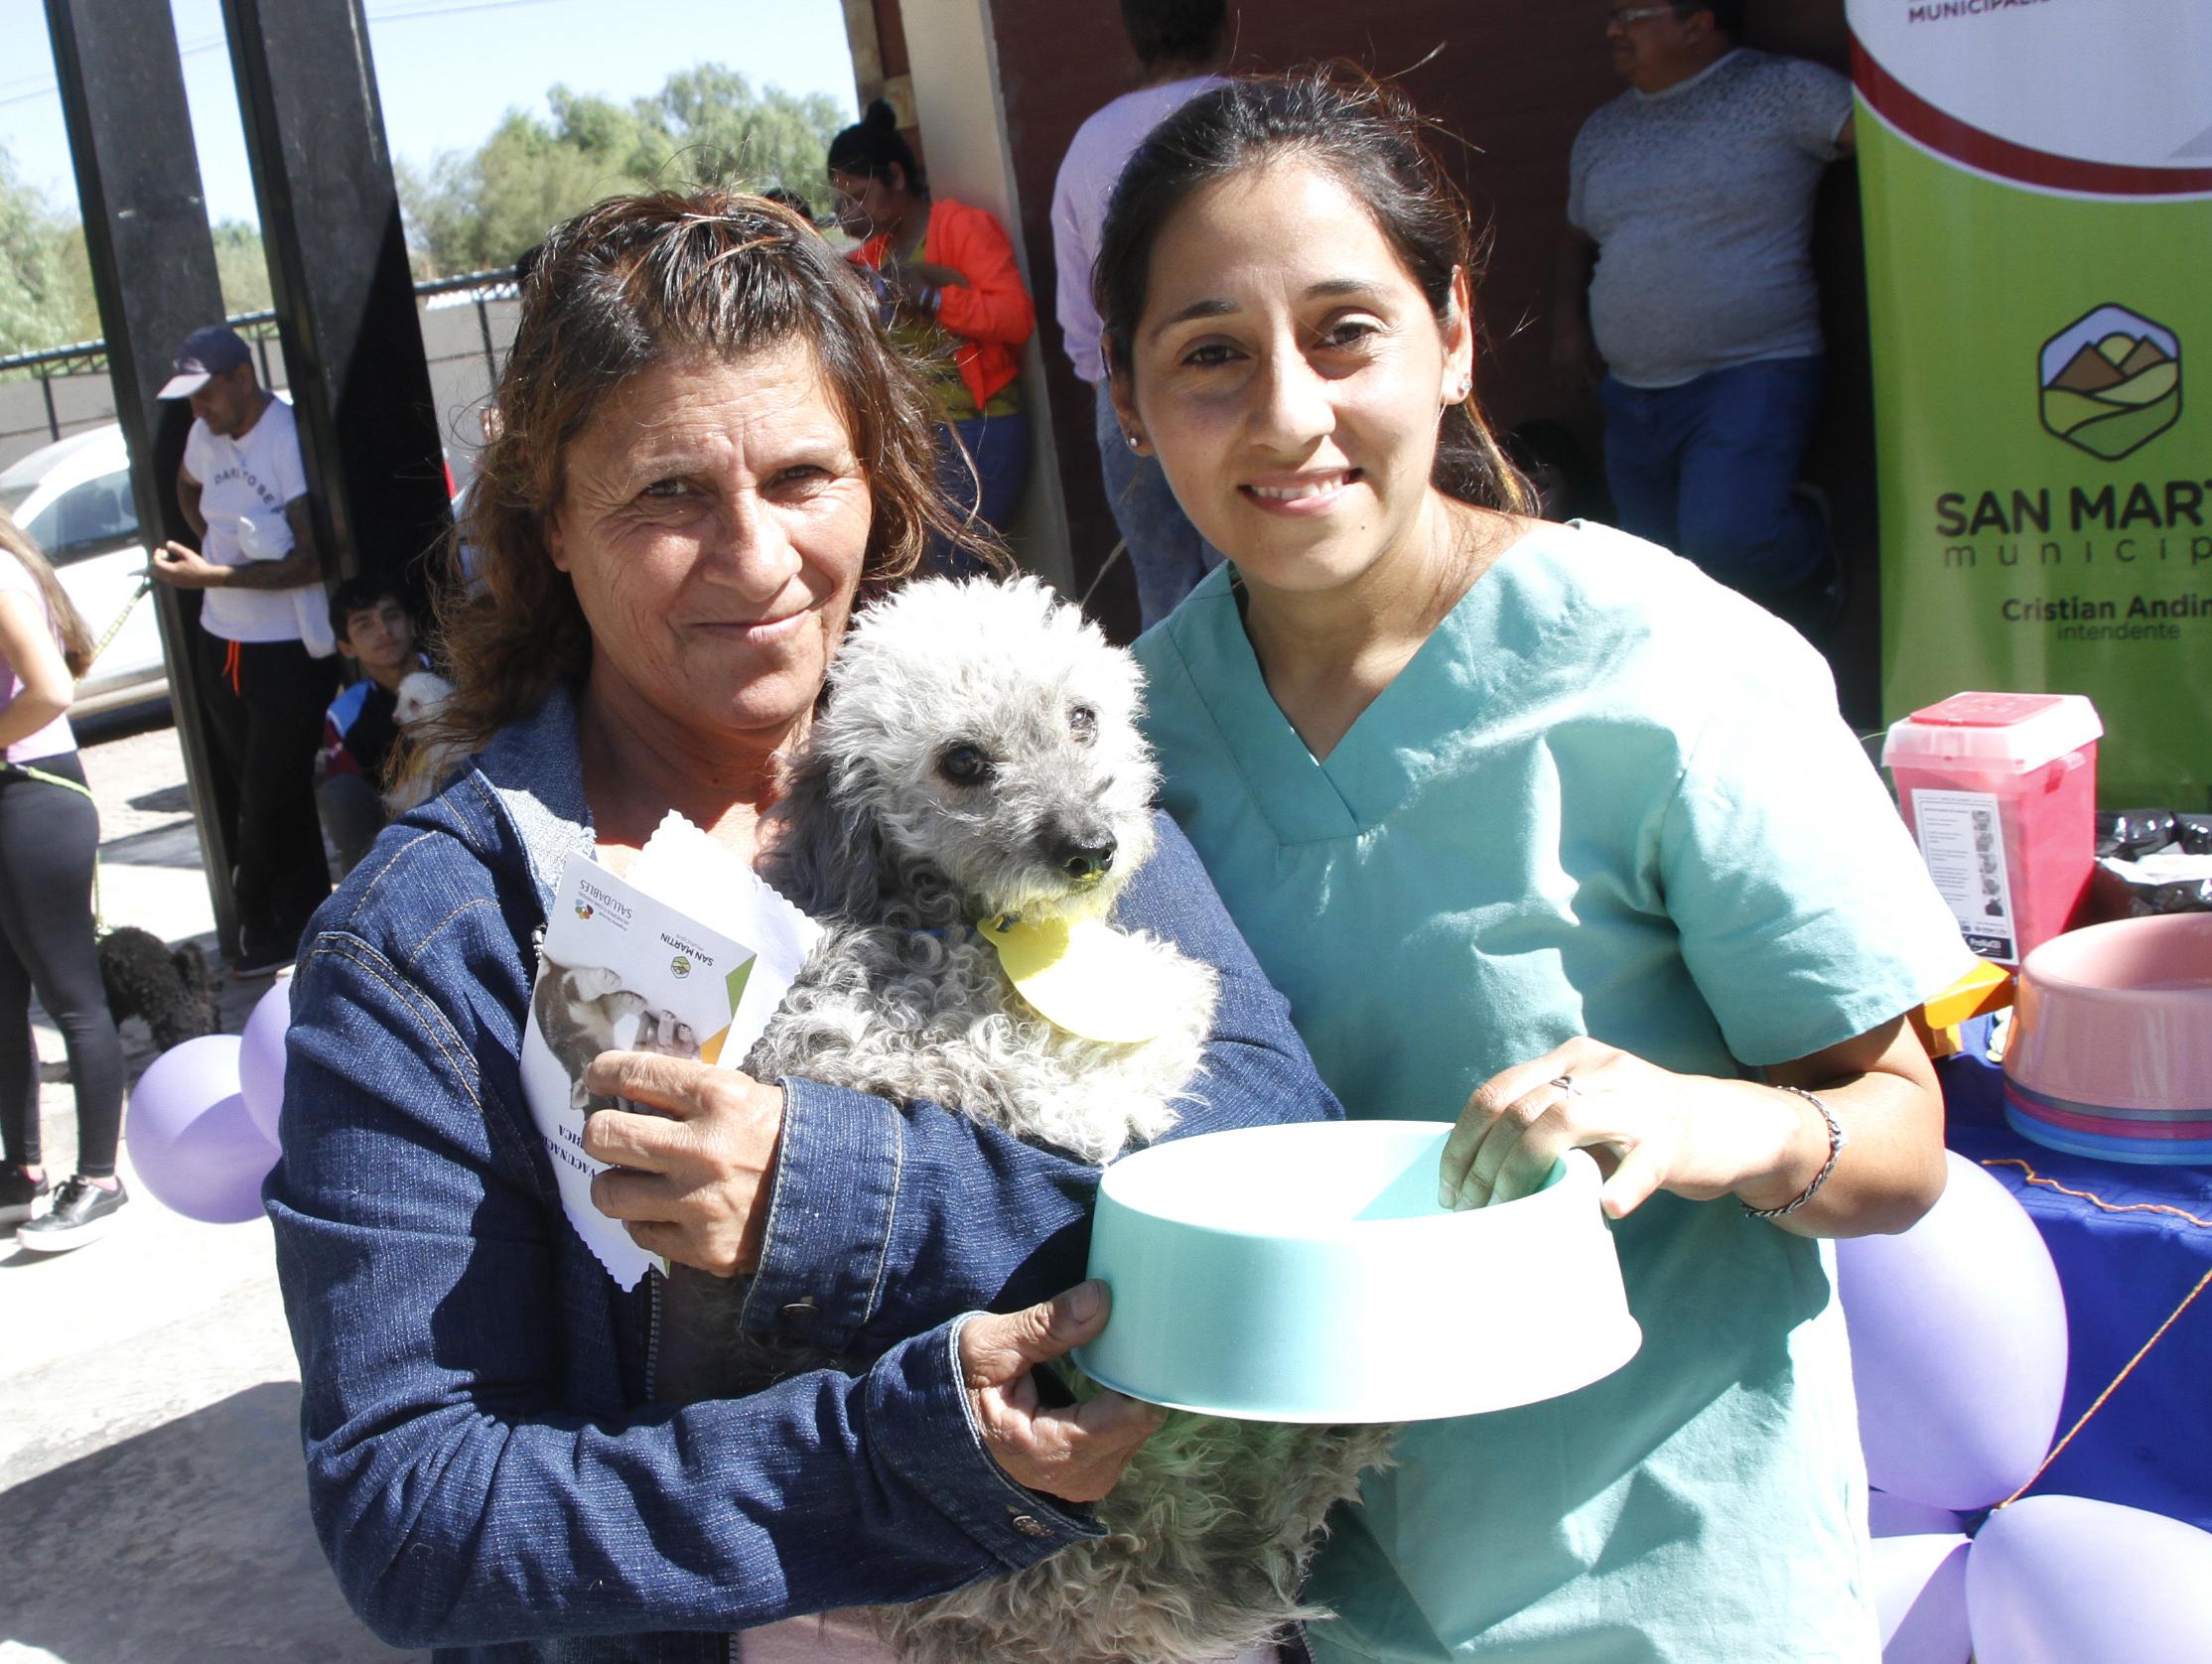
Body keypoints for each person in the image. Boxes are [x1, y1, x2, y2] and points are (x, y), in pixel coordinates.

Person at [264, 189, 1341, 1662]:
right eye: (667, 493)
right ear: (549, 524)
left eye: (801, 476)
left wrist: (828, 1197)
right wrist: (890, 1462)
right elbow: (415, 1513)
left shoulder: (1004, 752)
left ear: (878, 486)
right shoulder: (433, 945)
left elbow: (1280, 1144)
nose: (757, 556)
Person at [1102, 72, 1971, 1661]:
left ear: (1452, 336)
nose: (1287, 414)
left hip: (1671, 1594)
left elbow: (1900, 1143)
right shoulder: (1110, 748)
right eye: (1210, 354)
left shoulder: (1672, 668)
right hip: (1305, 1605)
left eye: (1346, 332)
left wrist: (1703, 1121)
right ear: (1127, 395)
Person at [1552, 1, 1855, 632]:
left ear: (1698, 21)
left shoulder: (1783, 89)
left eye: (1632, 14)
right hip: (1630, 391)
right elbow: (1578, 238)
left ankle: (1810, 545)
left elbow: (1904, 148)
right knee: (1657, 569)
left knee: (1729, 541)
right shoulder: (1603, 128)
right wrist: (1568, 324)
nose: (1613, 30)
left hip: (1753, 370)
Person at [152, 325, 337, 976]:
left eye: (207, 393)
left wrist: (215, 573)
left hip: (285, 646)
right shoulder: (203, 435)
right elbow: (184, 484)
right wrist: (213, 543)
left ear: (242, 377)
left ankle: (253, 916)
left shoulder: (283, 436)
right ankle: (299, 922)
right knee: (258, 790)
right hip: (222, 638)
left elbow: (311, 561)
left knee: (270, 791)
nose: (198, 409)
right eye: (190, 397)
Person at [1049, 0, 1229, 629]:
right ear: (1223, 20)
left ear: (1133, 35)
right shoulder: (1256, 113)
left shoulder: (1090, 141)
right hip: (1240, 373)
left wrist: (1115, 394)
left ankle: (1179, 698)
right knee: (1257, 585)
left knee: (1165, 596)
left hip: (1128, 387)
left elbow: (1078, 313)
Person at [829, 99, 1035, 571]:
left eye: (859, 195)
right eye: (841, 201)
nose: (848, 212)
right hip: (925, 439)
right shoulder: (875, 254)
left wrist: (936, 300)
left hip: (983, 429)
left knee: (949, 571)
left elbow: (1015, 317)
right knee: (939, 573)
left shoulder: (961, 227)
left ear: (896, 177)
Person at [0, 507, 129, 1251]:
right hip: (15, 795)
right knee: (5, 1002)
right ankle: (21, 1171)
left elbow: (50, 690)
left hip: (32, 795)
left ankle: (99, 1179)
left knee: (72, 1000)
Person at [314, 576, 421, 877]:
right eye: (365, 625)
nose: (383, 631)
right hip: (398, 827)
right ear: (346, 647)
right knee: (339, 792)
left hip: (471, 803)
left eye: (391, 616)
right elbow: (351, 797)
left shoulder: (455, 674)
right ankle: (369, 896)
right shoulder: (345, 713)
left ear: (412, 625)